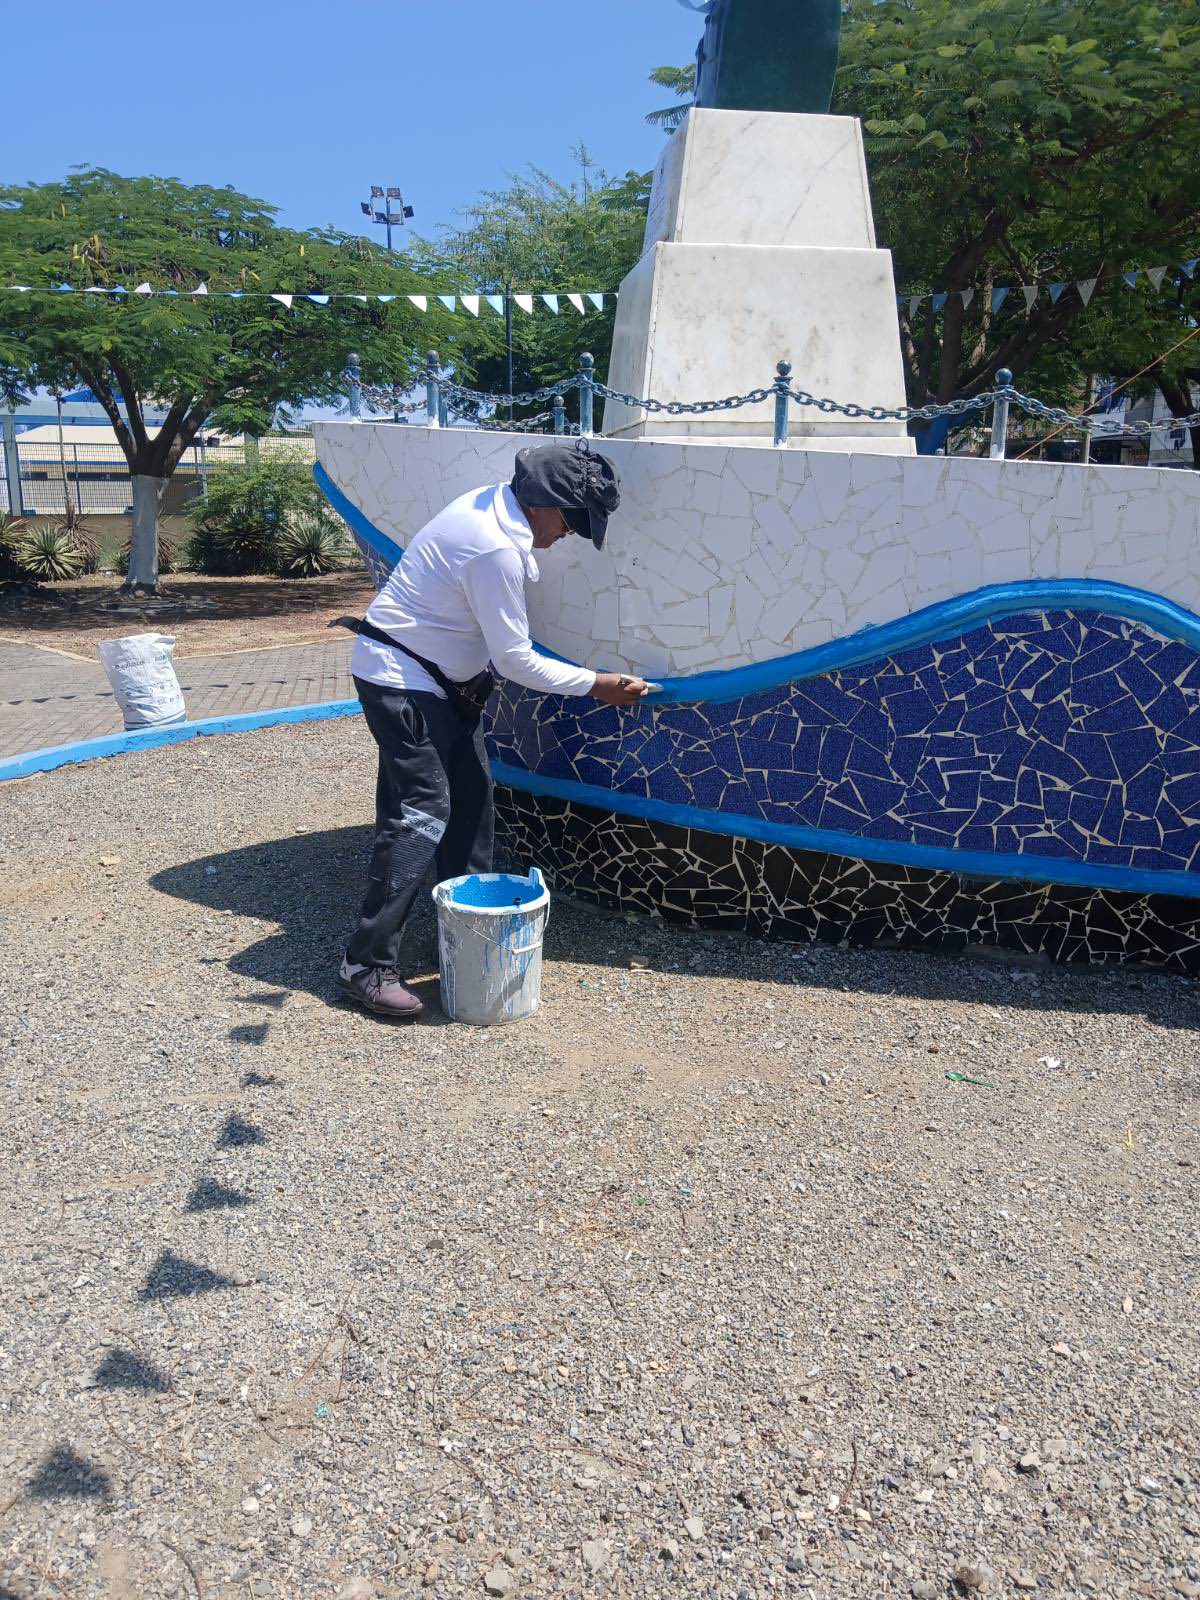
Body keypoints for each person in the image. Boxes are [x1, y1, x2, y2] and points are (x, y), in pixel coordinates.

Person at [338, 440, 648, 1020]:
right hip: (401, 682)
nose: (569, 534)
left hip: (438, 685)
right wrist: (597, 684)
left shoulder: (491, 506)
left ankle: (468, 933)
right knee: (421, 813)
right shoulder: (494, 549)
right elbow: (515, 660)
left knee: (472, 801)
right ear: (545, 504)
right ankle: (365, 964)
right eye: (573, 521)